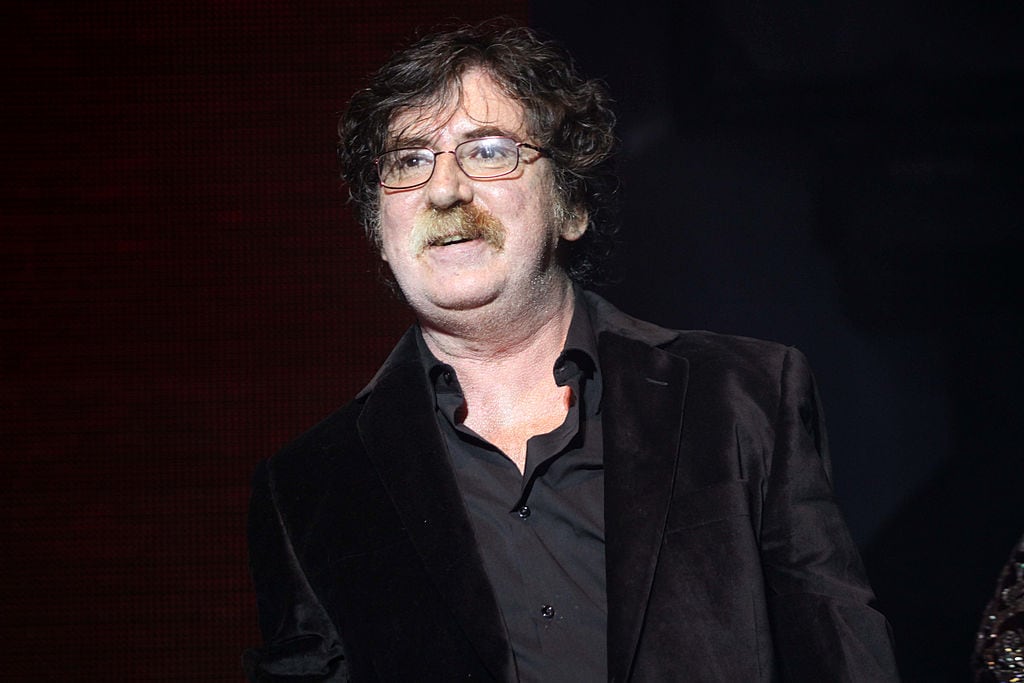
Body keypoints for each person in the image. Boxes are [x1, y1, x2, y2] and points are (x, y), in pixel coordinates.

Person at [244, 21, 899, 682]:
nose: (443, 190)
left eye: (489, 150)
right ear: (379, 231)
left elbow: (846, 662)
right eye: (409, 161)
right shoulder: (310, 489)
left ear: (571, 205)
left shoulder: (743, 398)